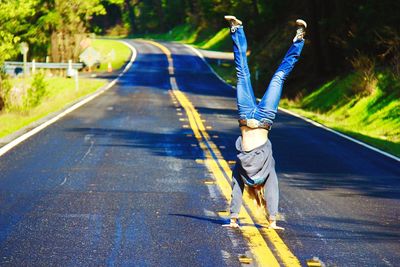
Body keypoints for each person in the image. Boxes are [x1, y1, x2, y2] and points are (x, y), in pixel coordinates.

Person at [223, 15, 306, 230]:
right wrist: (272, 221)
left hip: (246, 114)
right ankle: (299, 39)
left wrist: (233, 219)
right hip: (264, 119)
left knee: (242, 73)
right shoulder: (268, 171)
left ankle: (236, 29)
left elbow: (235, 189)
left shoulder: (241, 173)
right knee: (278, 77)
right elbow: (273, 192)